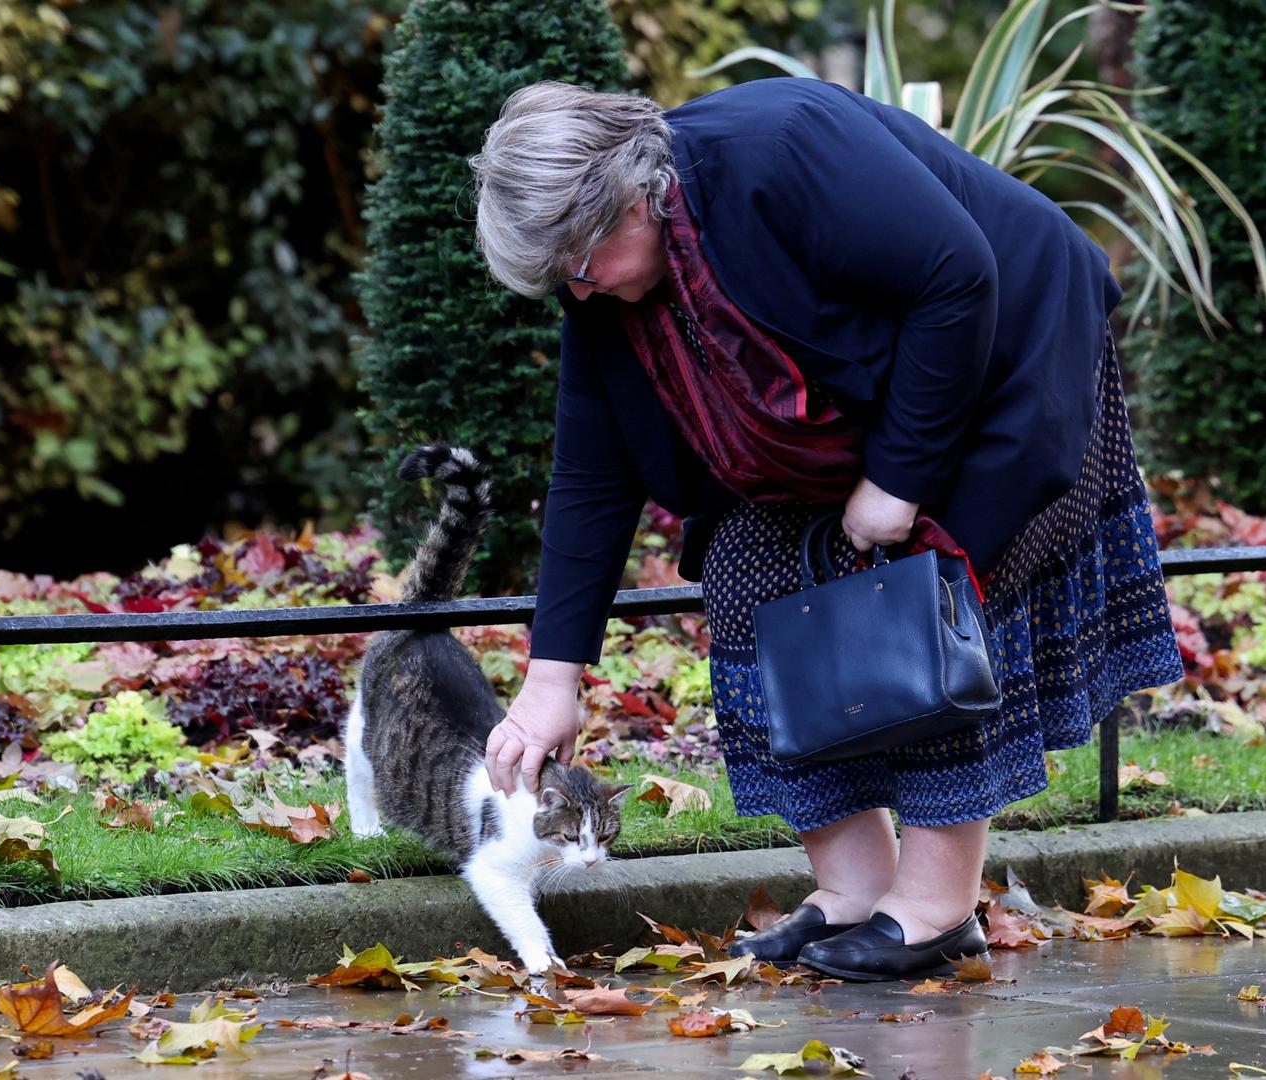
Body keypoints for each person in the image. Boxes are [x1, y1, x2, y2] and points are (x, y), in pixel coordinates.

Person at [467, 77, 1183, 980]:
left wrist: (897, 481)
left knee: (925, 607)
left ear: (632, 196)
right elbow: (591, 471)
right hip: (842, 421)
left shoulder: (781, 149)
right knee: (746, 578)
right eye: (562, 279)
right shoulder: (598, 282)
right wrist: (551, 678)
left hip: (1003, 360)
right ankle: (853, 887)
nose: (580, 288)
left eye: (583, 263)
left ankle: (935, 909)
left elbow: (957, 279)